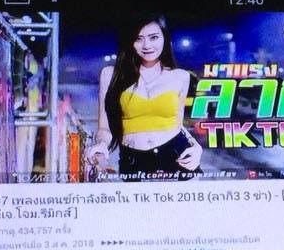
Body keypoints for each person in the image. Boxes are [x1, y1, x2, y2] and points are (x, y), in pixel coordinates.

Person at [87, 15, 202, 178]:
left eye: (153, 37)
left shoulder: (180, 76)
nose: (147, 45)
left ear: (165, 38)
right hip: (134, 161)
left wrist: (196, 146)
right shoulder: (110, 75)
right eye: (138, 39)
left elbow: (177, 125)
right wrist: (101, 144)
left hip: (178, 156)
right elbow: (104, 128)